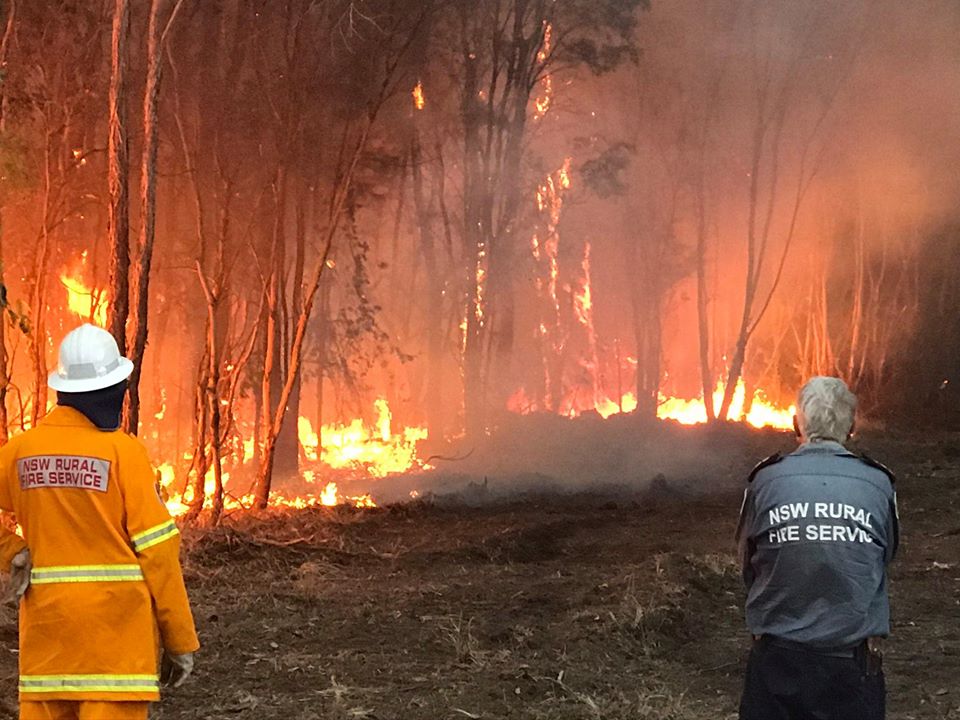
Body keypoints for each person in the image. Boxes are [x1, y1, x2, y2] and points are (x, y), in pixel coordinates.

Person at [0, 324, 199, 720]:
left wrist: (12, 551)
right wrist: (179, 639)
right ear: (113, 390)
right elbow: (158, 552)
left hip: (48, 654)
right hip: (115, 655)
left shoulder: (20, 451)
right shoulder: (124, 454)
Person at [736, 376, 899, 720]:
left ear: (797, 423)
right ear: (852, 426)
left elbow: (748, 563)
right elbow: (884, 558)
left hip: (777, 665)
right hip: (850, 670)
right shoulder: (878, 483)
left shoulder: (764, 482)